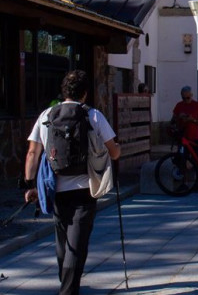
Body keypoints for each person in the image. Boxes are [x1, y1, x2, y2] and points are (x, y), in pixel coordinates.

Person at [23, 70, 121, 295]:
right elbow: (114, 152)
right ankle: (68, 290)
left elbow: (32, 153)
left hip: (55, 188)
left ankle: (66, 282)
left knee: (62, 239)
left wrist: (29, 185)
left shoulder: (46, 115)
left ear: (63, 91)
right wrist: (118, 150)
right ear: (85, 93)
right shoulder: (93, 115)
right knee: (77, 243)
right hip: (84, 189)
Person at [172, 85, 198, 192]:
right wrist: (178, 118)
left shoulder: (197, 106)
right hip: (183, 138)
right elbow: (172, 120)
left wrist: (193, 120)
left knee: (196, 160)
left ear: (191, 95)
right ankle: (184, 183)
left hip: (194, 137)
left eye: (188, 98)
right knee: (182, 160)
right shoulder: (179, 106)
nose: (186, 100)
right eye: (183, 98)